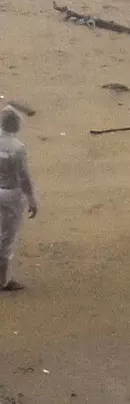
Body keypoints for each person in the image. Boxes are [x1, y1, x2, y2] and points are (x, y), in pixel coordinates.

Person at [0, 106, 38, 292]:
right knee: (7, 238)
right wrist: (31, 199)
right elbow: (23, 176)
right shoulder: (17, 148)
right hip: (11, 193)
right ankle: (3, 280)